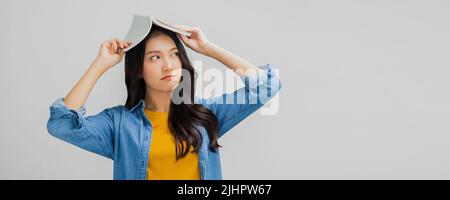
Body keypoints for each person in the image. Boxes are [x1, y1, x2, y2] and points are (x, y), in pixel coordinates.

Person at [47, 25, 281, 180]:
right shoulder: (118, 123)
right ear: (139, 69)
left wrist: (209, 49)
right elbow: (62, 124)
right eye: (155, 57)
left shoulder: (206, 114)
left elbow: (267, 86)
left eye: (174, 54)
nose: (168, 65)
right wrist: (101, 64)